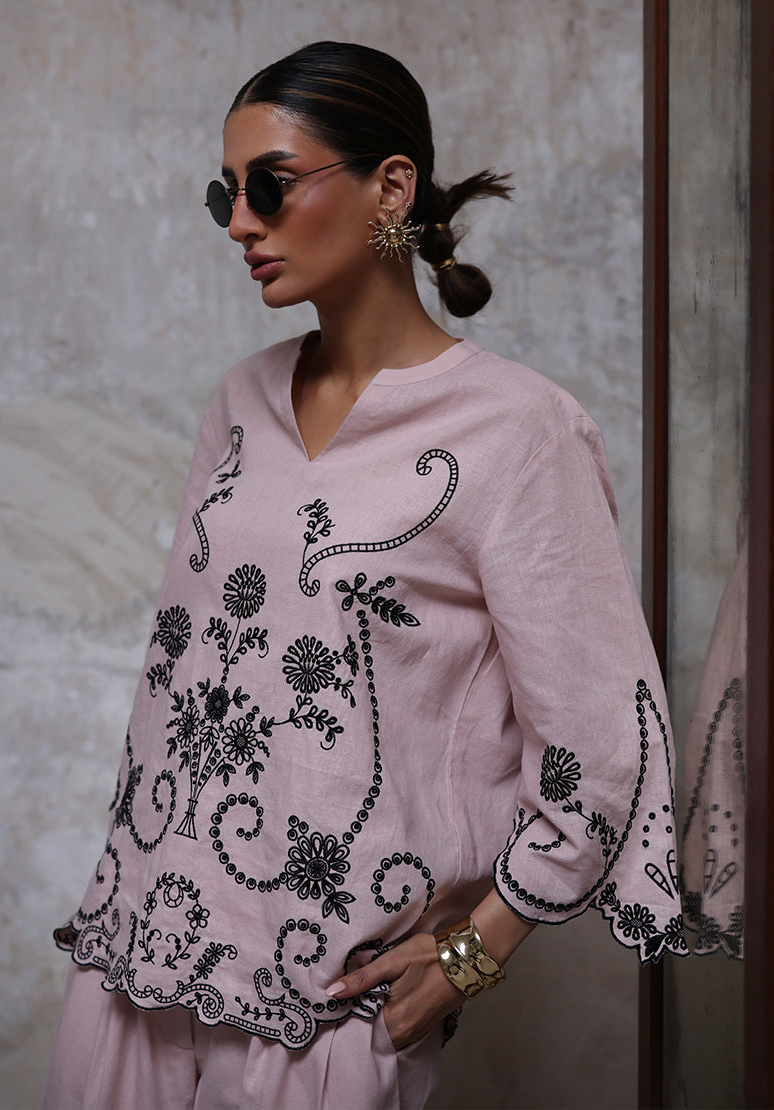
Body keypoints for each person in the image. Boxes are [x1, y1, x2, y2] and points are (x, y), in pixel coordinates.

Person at [42, 40, 686, 1110]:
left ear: (392, 186)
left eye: (269, 186)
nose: (239, 223)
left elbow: (603, 745)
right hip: (132, 975)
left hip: (320, 1014)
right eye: (225, 195)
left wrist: (472, 953)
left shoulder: (518, 431)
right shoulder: (239, 401)